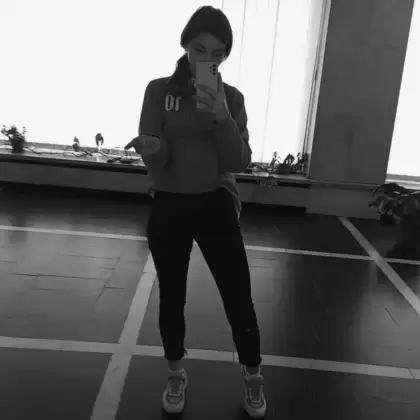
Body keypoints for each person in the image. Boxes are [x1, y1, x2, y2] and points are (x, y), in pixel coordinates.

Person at [125, 5, 266, 419]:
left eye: (218, 54)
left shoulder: (232, 98)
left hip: (215, 202)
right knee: (172, 295)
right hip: (170, 203)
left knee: (238, 295)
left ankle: (253, 376)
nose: (208, 59)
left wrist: (221, 115)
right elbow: (158, 157)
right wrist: (152, 147)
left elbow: (239, 161)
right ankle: (175, 372)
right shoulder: (158, 91)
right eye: (200, 49)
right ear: (186, 45)